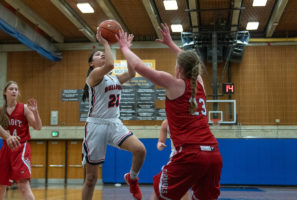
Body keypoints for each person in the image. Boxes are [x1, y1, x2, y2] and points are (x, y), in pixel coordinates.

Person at [117, 24, 223, 200]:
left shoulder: (174, 85)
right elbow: (190, 60)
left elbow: (139, 66)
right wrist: (171, 44)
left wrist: (124, 48)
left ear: (179, 69)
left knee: (159, 196)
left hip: (190, 154)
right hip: (213, 154)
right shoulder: (199, 83)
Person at [81, 29, 146, 200]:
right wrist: (105, 43)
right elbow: (110, 64)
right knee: (91, 179)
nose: (102, 55)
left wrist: (126, 49)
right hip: (96, 125)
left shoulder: (114, 79)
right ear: (91, 64)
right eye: (98, 55)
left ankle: (132, 178)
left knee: (140, 150)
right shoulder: (94, 76)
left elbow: (132, 73)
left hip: (114, 123)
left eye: (103, 53)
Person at [0, 81, 42, 200]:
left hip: (21, 148)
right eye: (11, 89)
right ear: (5, 92)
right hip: (5, 149)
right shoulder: (1, 110)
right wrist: (7, 137)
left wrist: (35, 111)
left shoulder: (23, 108)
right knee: (1, 186)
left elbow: (38, 127)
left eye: (16, 89)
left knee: (23, 185)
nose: (14, 91)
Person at [157, 119, 190, 200]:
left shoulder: (189, 120)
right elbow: (160, 141)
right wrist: (160, 144)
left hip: (190, 154)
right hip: (176, 155)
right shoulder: (166, 123)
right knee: (181, 187)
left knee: (184, 186)